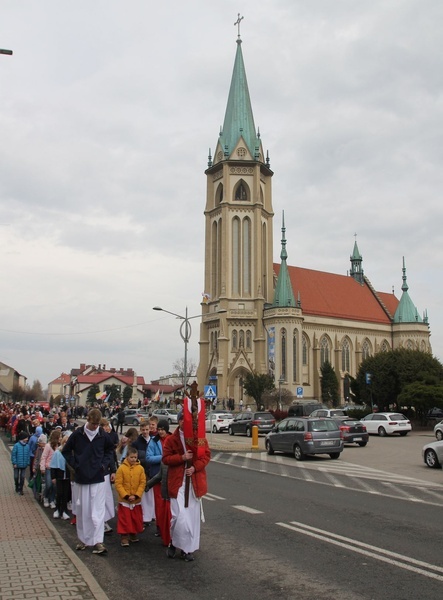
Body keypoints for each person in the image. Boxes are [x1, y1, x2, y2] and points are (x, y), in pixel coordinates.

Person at [62, 408, 115, 554]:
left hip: (98, 478)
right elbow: (65, 451)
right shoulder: (77, 434)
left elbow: (110, 450)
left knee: (97, 511)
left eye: (97, 424)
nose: (95, 427)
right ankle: (84, 540)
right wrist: (75, 465)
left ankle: (98, 542)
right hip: (82, 478)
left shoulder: (102, 435)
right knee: (83, 511)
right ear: (87, 420)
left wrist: (104, 465)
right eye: (93, 424)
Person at [162, 410, 210, 562]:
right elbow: (166, 459)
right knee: (179, 516)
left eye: (186, 420)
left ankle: (187, 548)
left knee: (191, 518)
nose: (184, 422)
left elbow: (205, 456)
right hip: (177, 483)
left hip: (194, 483)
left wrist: (194, 467)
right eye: (181, 419)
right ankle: (173, 542)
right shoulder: (171, 439)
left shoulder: (199, 438)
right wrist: (181, 458)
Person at [146, 419, 172, 546]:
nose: (161, 432)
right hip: (157, 476)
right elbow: (148, 457)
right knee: (159, 505)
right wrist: (163, 457)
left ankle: (169, 529)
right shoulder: (154, 441)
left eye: (163, 429)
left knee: (170, 505)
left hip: (171, 476)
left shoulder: (173, 439)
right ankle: (160, 527)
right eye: (159, 429)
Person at [114, 446, 146, 547]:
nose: (133, 459)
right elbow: (118, 483)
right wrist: (126, 495)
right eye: (131, 457)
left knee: (135, 518)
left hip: (136, 499)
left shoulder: (140, 468)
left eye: (135, 457)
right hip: (125, 499)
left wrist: (137, 495)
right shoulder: (121, 468)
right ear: (127, 457)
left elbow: (142, 482)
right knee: (125, 519)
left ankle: (133, 533)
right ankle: (124, 536)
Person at [50, 431, 72, 520]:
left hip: (67, 476)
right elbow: (53, 465)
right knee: (59, 493)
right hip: (59, 476)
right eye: (65, 442)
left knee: (66, 494)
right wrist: (53, 477)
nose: (66, 443)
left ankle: (64, 511)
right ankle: (57, 510)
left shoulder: (71, 452)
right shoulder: (57, 452)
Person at [41, 429, 62, 509]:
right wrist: (42, 467)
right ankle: (46, 497)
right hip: (49, 467)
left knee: (55, 485)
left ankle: (52, 499)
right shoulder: (48, 446)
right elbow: (44, 457)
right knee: (49, 484)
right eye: (59, 437)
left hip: (57, 468)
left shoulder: (59, 446)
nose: (60, 438)